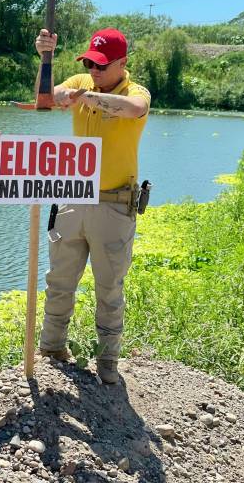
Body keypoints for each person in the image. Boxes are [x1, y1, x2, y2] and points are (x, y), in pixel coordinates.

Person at [34, 27, 151, 385]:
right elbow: (45, 98)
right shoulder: (83, 80)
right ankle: (52, 348)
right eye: (89, 63)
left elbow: (134, 110)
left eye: (101, 65)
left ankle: (108, 363)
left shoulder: (135, 92)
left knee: (109, 288)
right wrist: (46, 60)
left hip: (114, 206)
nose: (94, 70)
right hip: (72, 199)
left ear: (122, 64)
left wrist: (86, 98)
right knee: (59, 280)